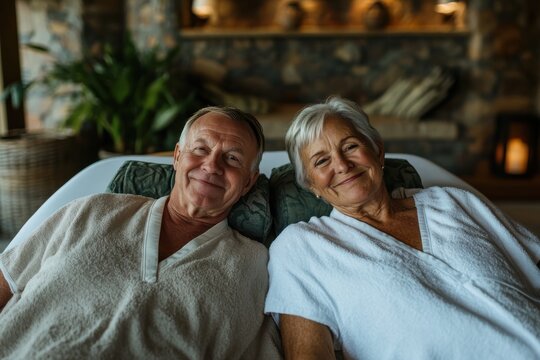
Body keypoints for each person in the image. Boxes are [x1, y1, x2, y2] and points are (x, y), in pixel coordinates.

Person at [264, 96, 540, 359]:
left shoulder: (452, 201)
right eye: (322, 161)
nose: (343, 165)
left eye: (350, 146)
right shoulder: (302, 247)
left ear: (378, 151)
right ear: (311, 185)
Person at [0, 106, 282, 359]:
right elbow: (6, 282)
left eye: (232, 158)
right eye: (200, 149)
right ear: (177, 157)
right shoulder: (93, 210)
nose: (211, 166)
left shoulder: (252, 263)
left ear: (248, 182)